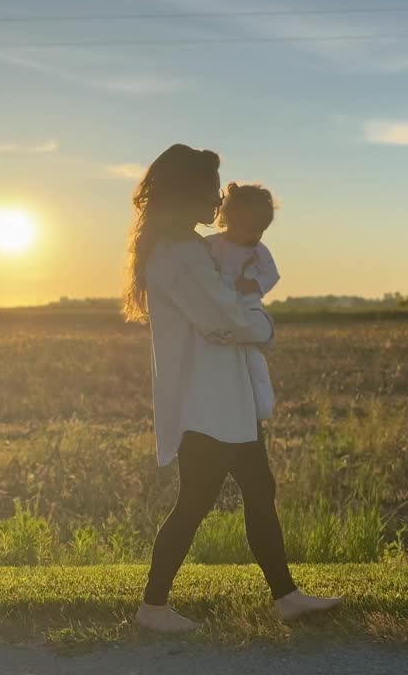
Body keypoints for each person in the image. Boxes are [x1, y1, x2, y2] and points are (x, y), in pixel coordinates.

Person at [122, 144, 341, 633]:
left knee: (258, 490)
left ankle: (285, 596)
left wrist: (242, 320)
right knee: (197, 502)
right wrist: (263, 325)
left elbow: (225, 317)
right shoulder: (178, 254)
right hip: (208, 405)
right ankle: (153, 608)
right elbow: (223, 317)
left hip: (226, 400)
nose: (217, 199)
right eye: (210, 188)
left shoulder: (187, 249)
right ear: (187, 190)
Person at [203, 182, 279, 420]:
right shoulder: (211, 244)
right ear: (232, 220)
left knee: (253, 364)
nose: (256, 237)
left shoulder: (259, 251)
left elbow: (272, 274)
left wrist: (254, 285)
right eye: (252, 230)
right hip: (219, 308)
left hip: (248, 307)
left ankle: (259, 409)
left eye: (261, 232)